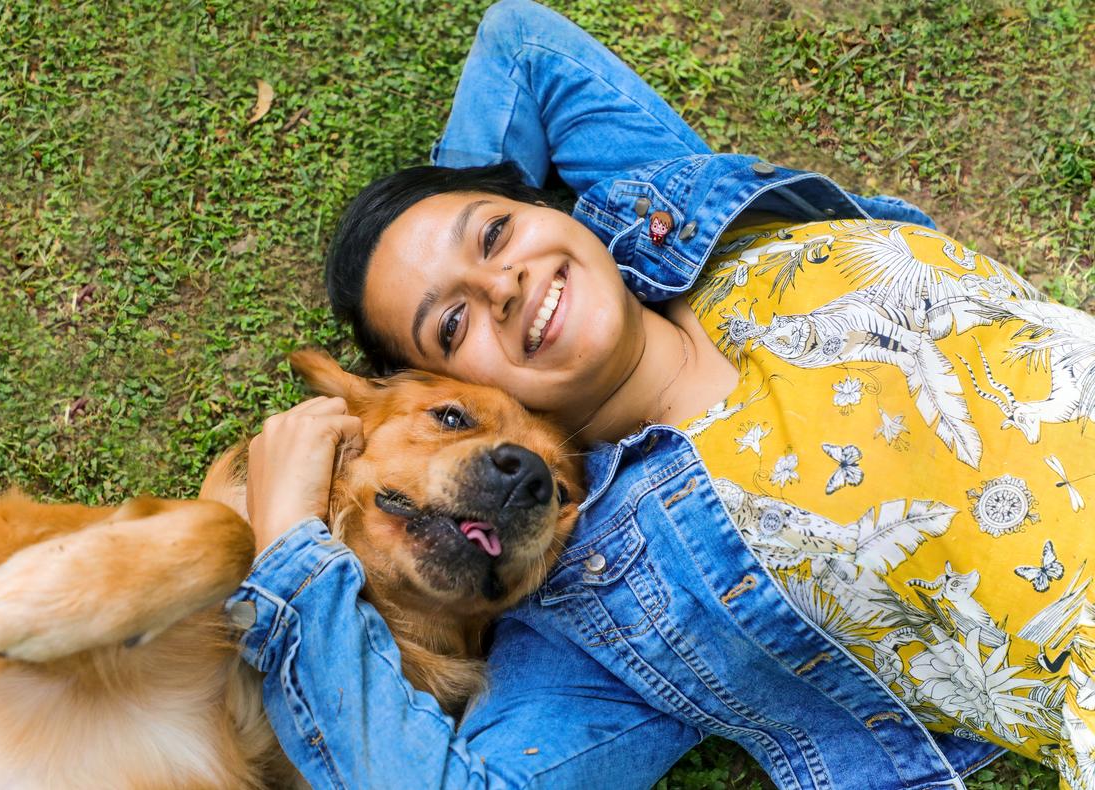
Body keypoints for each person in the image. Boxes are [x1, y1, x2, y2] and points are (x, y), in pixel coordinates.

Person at [233, 1, 1095, 787]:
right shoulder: (605, 609)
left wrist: (462, 224)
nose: (502, 287)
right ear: (455, 385)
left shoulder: (670, 220)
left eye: (496, 232)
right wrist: (289, 552)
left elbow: (521, 48)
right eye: (453, 327)